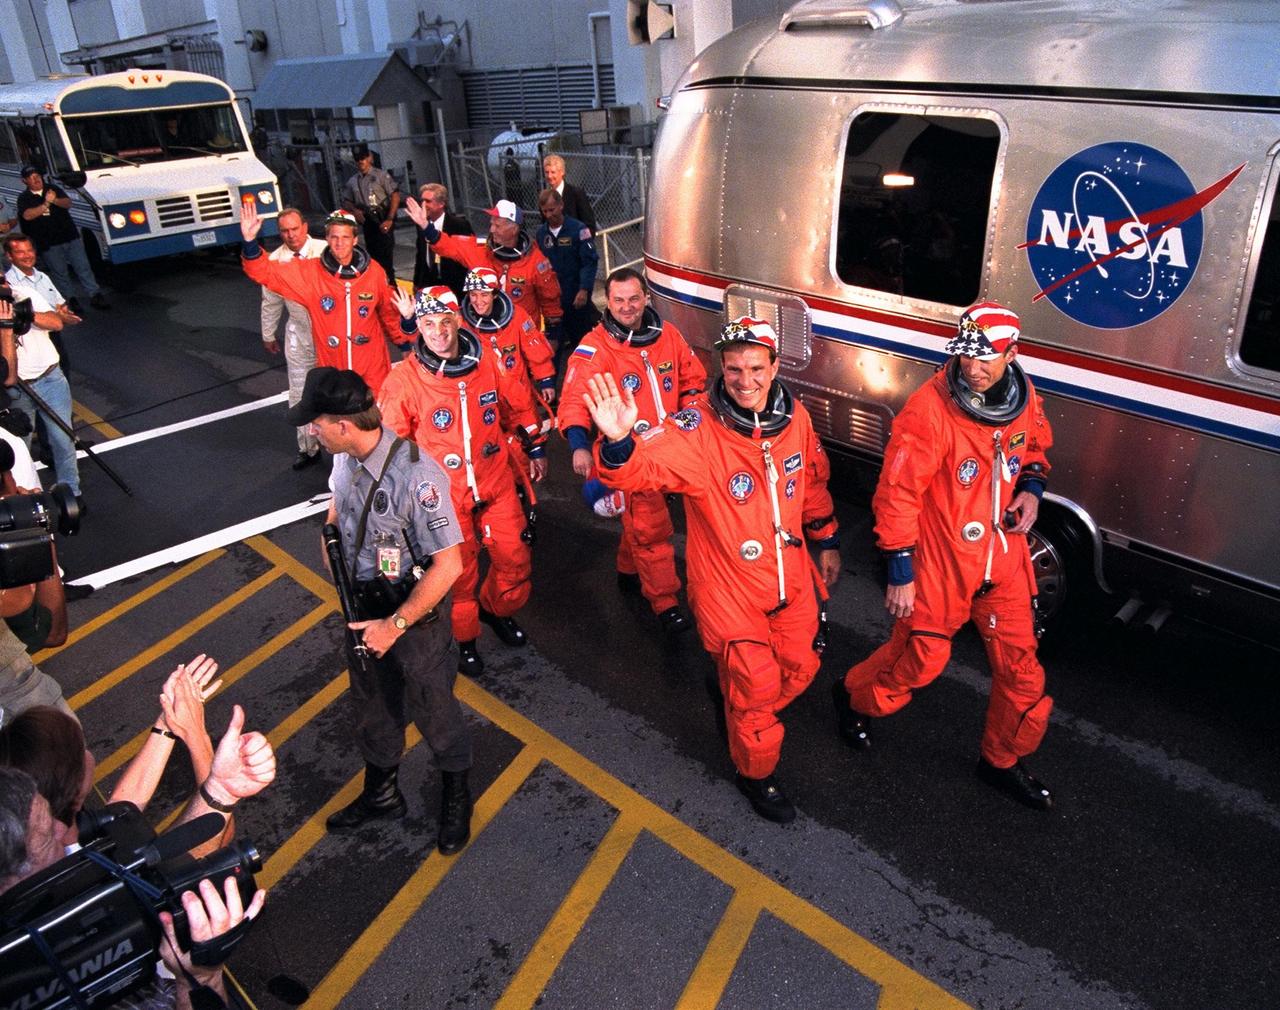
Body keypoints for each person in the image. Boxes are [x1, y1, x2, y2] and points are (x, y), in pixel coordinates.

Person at [584, 317, 841, 823]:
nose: (745, 381)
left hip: (789, 575)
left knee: (803, 665)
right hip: (728, 588)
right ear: (719, 369)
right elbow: (642, 468)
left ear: (774, 366)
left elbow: (811, 482)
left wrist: (827, 539)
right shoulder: (696, 429)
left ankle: (733, 698)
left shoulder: (797, 419)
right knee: (756, 688)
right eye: (733, 369)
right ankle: (756, 774)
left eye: (755, 368)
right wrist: (618, 442)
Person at [833, 301, 1056, 811]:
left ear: (1012, 354)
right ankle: (852, 696)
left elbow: (1035, 448)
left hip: (1002, 560)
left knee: (1022, 671)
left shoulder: (1023, 399)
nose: (971, 369)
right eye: (964, 357)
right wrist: (900, 569)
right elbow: (897, 494)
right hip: (942, 563)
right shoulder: (929, 409)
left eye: (985, 359)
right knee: (919, 661)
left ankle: (999, 760)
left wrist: (1032, 489)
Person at [293, 367, 474, 854]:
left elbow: (449, 565)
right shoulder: (347, 460)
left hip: (411, 621)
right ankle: (382, 794)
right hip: (363, 610)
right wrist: (332, 543)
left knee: (433, 706)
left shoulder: (417, 475)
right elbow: (338, 510)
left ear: (344, 423)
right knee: (374, 707)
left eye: (317, 422)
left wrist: (394, 626)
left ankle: (457, 795)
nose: (312, 430)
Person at [379, 287, 547, 678]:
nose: (437, 332)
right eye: (427, 324)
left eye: (444, 322)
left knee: (515, 560)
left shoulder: (487, 360)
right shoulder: (404, 380)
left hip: (496, 481)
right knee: (458, 576)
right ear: (418, 327)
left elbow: (517, 404)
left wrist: (535, 447)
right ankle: (466, 640)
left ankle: (495, 610)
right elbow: (390, 449)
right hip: (443, 497)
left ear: (458, 320)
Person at [558, 267, 705, 637]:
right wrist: (579, 446)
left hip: (672, 449)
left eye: (634, 298)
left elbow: (693, 380)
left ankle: (627, 569)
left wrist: (690, 420)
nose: (627, 307)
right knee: (652, 529)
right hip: (629, 453)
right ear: (608, 301)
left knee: (640, 525)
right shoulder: (596, 348)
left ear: (646, 298)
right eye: (619, 300)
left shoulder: (667, 336)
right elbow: (574, 398)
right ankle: (664, 602)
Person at [240, 202, 407, 396]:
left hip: (371, 363)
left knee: (379, 414)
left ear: (355, 240)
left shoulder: (374, 272)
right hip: (333, 364)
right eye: (334, 237)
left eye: (345, 237)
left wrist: (403, 344)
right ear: (327, 238)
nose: (339, 243)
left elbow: (388, 312)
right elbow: (264, 272)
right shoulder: (310, 272)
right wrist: (250, 241)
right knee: (337, 418)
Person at [1, 236, 84, 509]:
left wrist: (23, 313)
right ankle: (28, 500)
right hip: (17, 387)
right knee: (20, 449)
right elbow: (8, 374)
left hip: (50, 378)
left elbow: (55, 323)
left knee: (63, 439)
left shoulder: (26, 294)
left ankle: (72, 495)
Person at [405, 196, 563, 337]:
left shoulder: (536, 262)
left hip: (521, 335)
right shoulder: (481, 252)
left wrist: (552, 339)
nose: (491, 229)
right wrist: (427, 226)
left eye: (498, 225)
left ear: (514, 229)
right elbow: (449, 245)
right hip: (483, 333)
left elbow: (551, 303)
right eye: (491, 224)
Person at [259, 207, 328, 471]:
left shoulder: (326, 251)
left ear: (305, 227)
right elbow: (271, 302)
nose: (290, 235)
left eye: (294, 229)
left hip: (332, 335)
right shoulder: (275, 261)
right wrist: (268, 334)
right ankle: (308, 448)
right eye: (284, 231)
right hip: (299, 336)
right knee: (300, 393)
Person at [15, 166, 108, 313]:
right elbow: (27, 215)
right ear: (24, 181)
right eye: (31, 178)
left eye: (37, 176)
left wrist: (54, 200)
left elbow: (67, 203)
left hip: (69, 236)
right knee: (60, 272)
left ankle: (95, 295)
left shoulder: (52, 189)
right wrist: (46, 203)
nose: (36, 179)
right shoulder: (24, 198)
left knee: (82, 266)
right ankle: (71, 299)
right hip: (49, 242)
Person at [536, 188, 598, 371]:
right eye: (545, 211)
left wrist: (584, 289)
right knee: (552, 346)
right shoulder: (541, 234)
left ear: (561, 206)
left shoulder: (579, 230)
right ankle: (551, 389)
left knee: (583, 344)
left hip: (576, 298)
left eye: (552, 210)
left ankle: (589, 378)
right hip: (553, 302)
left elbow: (590, 261)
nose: (549, 215)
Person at [341, 146, 401, 286]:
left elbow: (395, 196)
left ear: (369, 158)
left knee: (386, 259)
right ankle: (380, 286)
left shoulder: (381, 176)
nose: (360, 162)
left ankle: (391, 287)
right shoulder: (353, 181)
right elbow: (346, 201)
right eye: (357, 160)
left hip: (382, 218)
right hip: (367, 222)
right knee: (373, 258)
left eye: (362, 158)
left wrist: (390, 219)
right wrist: (355, 211)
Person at [412, 183, 474, 299]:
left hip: (455, 287)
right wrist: (416, 283)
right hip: (429, 285)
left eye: (428, 201)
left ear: (441, 204)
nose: (423, 205)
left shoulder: (459, 225)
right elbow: (420, 255)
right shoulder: (420, 224)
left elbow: (469, 258)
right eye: (422, 201)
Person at [542, 154, 597, 234]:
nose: (549, 176)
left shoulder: (576, 194)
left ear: (562, 172)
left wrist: (577, 241)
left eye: (553, 172)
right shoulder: (544, 197)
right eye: (547, 172)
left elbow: (589, 225)